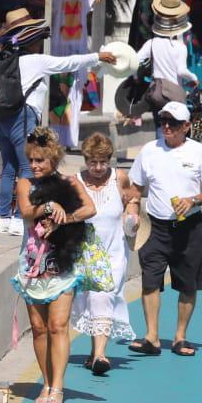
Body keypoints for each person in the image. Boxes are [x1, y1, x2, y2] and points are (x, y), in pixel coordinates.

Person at [0, 8, 114, 235]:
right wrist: (97, 57)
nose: (40, 43)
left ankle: (3, 219)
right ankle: (19, 218)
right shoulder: (35, 61)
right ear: (31, 39)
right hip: (23, 117)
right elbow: (68, 63)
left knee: (8, 167)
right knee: (28, 167)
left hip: (2, 118)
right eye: (38, 38)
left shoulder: (3, 60)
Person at [12, 127, 100, 403]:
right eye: (32, 160)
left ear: (53, 159)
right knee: (38, 328)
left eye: (41, 160)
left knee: (57, 325)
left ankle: (58, 387)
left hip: (62, 263)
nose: (35, 166)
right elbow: (26, 212)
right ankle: (47, 383)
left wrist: (67, 217)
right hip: (32, 263)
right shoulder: (24, 183)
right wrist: (49, 205)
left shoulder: (69, 181)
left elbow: (90, 208)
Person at [128, 101, 202, 356]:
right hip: (155, 227)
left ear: (187, 126)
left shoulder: (199, 152)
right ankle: (152, 337)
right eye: (163, 122)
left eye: (173, 123)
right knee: (150, 281)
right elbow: (135, 188)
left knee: (187, 284)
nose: (166, 127)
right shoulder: (149, 150)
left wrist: (192, 200)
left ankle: (180, 337)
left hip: (189, 227)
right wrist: (133, 210)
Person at [71, 132, 140, 376]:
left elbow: (134, 197)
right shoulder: (75, 181)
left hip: (114, 249)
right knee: (92, 298)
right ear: (85, 159)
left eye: (103, 162)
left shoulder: (119, 178)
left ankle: (100, 354)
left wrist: (132, 212)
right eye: (93, 162)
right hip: (85, 251)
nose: (98, 168)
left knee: (105, 295)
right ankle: (94, 352)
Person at [136, 0, 200, 102]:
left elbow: (135, 61)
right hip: (174, 94)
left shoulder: (151, 43)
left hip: (156, 93)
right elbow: (181, 71)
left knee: (157, 117)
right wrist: (194, 78)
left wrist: (135, 77)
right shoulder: (180, 47)